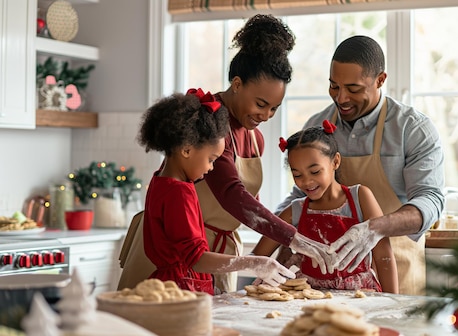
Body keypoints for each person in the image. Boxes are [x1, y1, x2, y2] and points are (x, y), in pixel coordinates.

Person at [118, 14, 332, 293]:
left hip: (217, 255)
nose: (266, 115)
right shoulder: (207, 125)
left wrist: (273, 249)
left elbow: (251, 206)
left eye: (274, 109)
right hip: (178, 255)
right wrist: (292, 239)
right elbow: (233, 196)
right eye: (260, 104)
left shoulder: (255, 138)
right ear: (237, 83)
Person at [276, 35, 445, 295]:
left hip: (398, 270)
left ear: (380, 80)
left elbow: (430, 201)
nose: (341, 98)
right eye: (334, 86)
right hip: (328, 284)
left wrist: (374, 228)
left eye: (353, 89)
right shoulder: (318, 126)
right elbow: (301, 197)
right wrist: (281, 240)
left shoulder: (412, 129)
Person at [135, 88, 295, 294]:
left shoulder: (163, 181)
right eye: (211, 159)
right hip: (181, 289)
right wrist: (254, 263)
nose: (211, 168)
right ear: (186, 150)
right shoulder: (178, 193)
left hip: (179, 283)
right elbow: (197, 259)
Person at [253, 121, 398, 293]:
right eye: (297, 175)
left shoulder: (360, 198)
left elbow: (384, 257)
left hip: (359, 294)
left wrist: (393, 302)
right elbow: (259, 256)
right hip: (310, 295)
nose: (306, 182)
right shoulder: (295, 211)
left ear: (335, 162)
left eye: (315, 172)